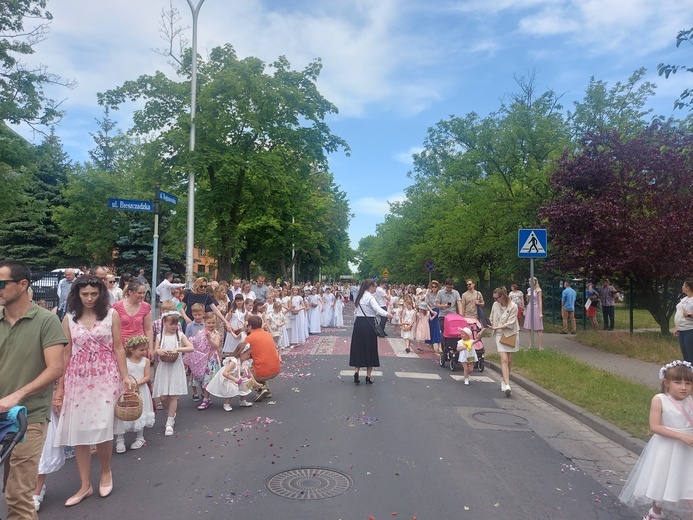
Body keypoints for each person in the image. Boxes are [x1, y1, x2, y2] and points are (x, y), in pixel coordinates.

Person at [54, 274, 130, 506]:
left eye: (94, 294)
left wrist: (126, 377)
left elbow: (118, 347)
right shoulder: (68, 318)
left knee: (102, 425)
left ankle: (105, 471)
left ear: (101, 294)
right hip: (77, 376)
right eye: (84, 294)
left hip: (105, 374)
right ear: (76, 294)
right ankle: (85, 484)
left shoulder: (111, 314)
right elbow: (65, 353)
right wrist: (60, 385)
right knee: (79, 430)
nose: (89, 298)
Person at [0, 260, 66, 520]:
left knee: (18, 494)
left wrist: (16, 396)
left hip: (29, 417)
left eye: (2, 284)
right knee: (9, 489)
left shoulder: (46, 321)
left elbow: (55, 368)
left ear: (23, 284)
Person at [618, 360, 693, 520]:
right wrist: (682, 436)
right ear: (666, 382)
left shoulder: (690, 401)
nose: (683, 387)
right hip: (667, 447)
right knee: (661, 480)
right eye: (678, 382)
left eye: (688, 383)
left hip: (688, 449)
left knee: (689, 482)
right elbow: (655, 426)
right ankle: (655, 512)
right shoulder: (659, 400)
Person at [153, 311, 194, 436]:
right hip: (164, 367)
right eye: (171, 324)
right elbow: (155, 351)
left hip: (176, 366)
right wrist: (159, 351)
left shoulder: (180, 335)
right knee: (163, 396)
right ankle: (170, 412)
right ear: (164, 322)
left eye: (175, 324)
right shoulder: (160, 337)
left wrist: (178, 349)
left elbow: (191, 347)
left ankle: (169, 422)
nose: (173, 327)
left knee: (173, 396)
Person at [114, 335, 155, 453]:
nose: (144, 352)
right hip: (127, 389)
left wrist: (136, 383)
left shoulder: (146, 361)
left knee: (140, 411)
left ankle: (140, 437)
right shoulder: (125, 361)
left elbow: (147, 376)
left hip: (140, 389)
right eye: (141, 350)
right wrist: (128, 384)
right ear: (132, 350)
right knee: (123, 413)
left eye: (145, 349)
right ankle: (120, 439)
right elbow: (122, 374)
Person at [349, 279, 392, 384]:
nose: (376, 288)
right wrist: (387, 314)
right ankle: (368, 376)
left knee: (358, 347)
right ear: (371, 287)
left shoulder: (359, 296)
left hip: (358, 323)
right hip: (368, 324)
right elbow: (377, 309)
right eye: (375, 286)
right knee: (370, 348)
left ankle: (356, 372)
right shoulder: (370, 298)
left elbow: (355, 312)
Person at [205, 342, 261, 411]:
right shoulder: (233, 362)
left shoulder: (244, 362)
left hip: (235, 376)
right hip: (227, 376)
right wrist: (234, 379)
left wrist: (255, 382)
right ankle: (226, 404)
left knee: (245, 383)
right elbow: (225, 373)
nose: (249, 356)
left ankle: (242, 401)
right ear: (241, 353)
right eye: (248, 354)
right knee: (230, 388)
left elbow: (249, 374)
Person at [488, 286, 519, 397]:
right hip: (499, 335)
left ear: (502, 297)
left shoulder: (513, 306)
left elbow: (510, 324)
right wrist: (485, 327)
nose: (495, 300)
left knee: (509, 360)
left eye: (496, 298)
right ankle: (507, 385)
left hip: (510, 334)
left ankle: (504, 379)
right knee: (504, 359)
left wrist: (496, 327)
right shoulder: (495, 305)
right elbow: (491, 318)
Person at [187, 313, 222, 411]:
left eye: (213, 322)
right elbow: (197, 344)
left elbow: (216, 346)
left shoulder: (216, 333)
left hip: (211, 358)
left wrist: (209, 338)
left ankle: (206, 399)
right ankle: (206, 397)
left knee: (207, 378)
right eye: (209, 322)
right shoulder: (200, 332)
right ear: (204, 322)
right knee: (201, 378)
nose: (211, 325)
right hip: (201, 357)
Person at [245, 315, 281, 400]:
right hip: (276, 369)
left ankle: (260, 388)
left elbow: (244, 355)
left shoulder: (249, 338)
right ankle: (266, 389)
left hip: (262, 372)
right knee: (259, 364)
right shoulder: (268, 334)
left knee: (245, 370)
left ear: (250, 326)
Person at [674, 279, 693, 363]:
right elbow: (680, 313)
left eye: (683, 285)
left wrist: (689, 314)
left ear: (688, 288)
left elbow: (688, 314)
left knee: (691, 355)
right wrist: (676, 327)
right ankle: (688, 375)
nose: (682, 287)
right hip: (682, 330)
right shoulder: (684, 299)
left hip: (690, 330)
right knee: (686, 357)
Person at [523, 277, 544, 350]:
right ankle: (530, 345)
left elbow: (540, 301)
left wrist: (540, 312)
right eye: (529, 281)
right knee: (529, 327)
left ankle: (540, 347)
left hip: (536, 307)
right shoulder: (529, 290)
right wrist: (527, 298)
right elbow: (528, 300)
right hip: (529, 307)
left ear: (535, 281)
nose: (530, 282)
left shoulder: (538, 290)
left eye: (531, 281)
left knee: (539, 328)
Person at [425, 280, 442, 354]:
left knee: (438, 328)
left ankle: (439, 346)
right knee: (431, 328)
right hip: (431, 311)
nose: (434, 288)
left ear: (438, 287)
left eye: (435, 287)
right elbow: (426, 304)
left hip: (438, 311)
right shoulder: (428, 295)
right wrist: (431, 311)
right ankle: (431, 345)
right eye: (432, 287)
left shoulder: (440, 294)